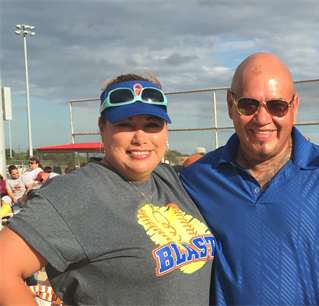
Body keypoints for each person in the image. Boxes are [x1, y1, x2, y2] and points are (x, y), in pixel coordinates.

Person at [0, 72, 214, 306]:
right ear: (102, 128)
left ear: (165, 131)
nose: (140, 138)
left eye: (152, 125)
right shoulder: (74, 193)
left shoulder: (171, 180)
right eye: (126, 124)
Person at [181, 52, 319, 305]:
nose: (262, 118)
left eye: (277, 106)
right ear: (230, 104)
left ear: (294, 107)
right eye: (248, 104)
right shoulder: (198, 179)